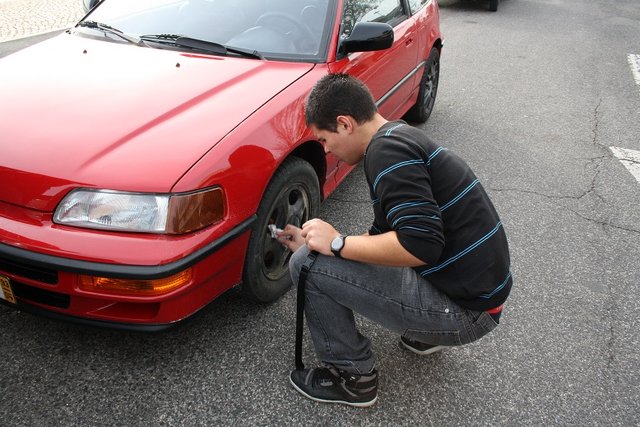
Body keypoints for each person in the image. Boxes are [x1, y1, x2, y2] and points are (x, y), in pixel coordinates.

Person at [276, 73, 512, 408]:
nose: (326, 150)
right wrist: (315, 243)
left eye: (324, 139)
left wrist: (335, 245)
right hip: (477, 297)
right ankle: (423, 334)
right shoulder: (398, 138)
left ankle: (355, 378)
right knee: (314, 256)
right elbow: (385, 240)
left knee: (306, 267)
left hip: (466, 311)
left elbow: (420, 245)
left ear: (344, 124)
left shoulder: (386, 155)